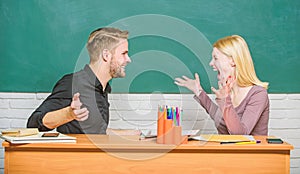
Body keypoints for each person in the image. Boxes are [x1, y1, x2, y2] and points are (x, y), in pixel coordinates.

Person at [27, 27, 131, 134]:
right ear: (106, 55)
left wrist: (132, 134)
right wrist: (68, 114)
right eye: (124, 53)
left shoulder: (102, 89)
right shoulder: (72, 83)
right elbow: (33, 124)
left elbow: (95, 131)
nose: (128, 59)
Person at [175, 35, 269, 135]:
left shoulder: (258, 94)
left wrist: (224, 100)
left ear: (233, 61)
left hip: (251, 150)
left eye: (215, 58)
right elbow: (221, 121)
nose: (211, 63)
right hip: (227, 150)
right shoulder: (227, 92)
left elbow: (240, 135)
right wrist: (199, 92)